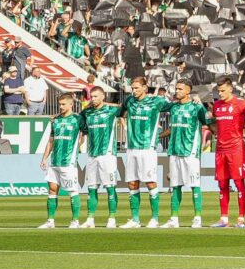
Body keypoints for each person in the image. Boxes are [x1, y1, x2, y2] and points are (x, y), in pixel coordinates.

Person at [160, 80, 208, 228]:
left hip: (190, 152)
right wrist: (157, 137)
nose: (177, 91)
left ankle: (197, 218)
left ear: (188, 91)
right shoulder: (173, 107)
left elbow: (207, 121)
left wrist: (200, 104)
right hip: (174, 150)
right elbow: (173, 128)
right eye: (176, 88)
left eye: (180, 89)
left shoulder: (195, 107)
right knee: (175, 185)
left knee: (194, 185)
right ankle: (174, 218)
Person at [118, 75, 164, 228]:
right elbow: (120, 112)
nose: (134, 91)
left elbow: (175, 105)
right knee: (132, 183)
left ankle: (155, 219)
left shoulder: (156, 101)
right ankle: (135, 219)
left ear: (145, 88)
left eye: (137, 88)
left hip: (147, 149)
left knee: (150, 182)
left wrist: (194, 100)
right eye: (132, 88)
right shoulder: (129, 101)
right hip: (131, 148)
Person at [209, 79, 245, 228]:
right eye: (219, 91)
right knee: (222, 183)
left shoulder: (242, 104)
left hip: (236, 149)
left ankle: (241, 218)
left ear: (230, 89)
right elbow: (215, 124)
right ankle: (224, 219)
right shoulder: (217, 106)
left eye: (222, 90)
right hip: (220, 149)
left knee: (238, 182)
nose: (220, 94)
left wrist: (242, 126)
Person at [76, 84, 122, 228]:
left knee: (110, 187)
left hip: (107, 155)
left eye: (96, 96)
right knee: (91, 188)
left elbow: (124, 107)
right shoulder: (88, 113)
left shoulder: (111, 110)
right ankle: (90, 219)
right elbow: (80, 120)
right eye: (92, 96)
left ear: (103, 96)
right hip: (92, 154)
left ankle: (112, 218)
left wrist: (107, 103)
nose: (93, 99)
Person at [38, 90, 82, 229]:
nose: (61, 107)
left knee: (72, 191)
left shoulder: (78, 119)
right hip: (54, 161)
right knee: (52, 190)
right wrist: (44, 158)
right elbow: (51, 141)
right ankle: (50, 221)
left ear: (71, 104)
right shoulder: (55, 120)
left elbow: (84, 135)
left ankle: (75, 221)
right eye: (60, 104)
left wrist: (77, 147)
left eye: (63, 104)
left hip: (68, 162)